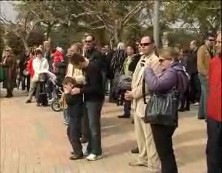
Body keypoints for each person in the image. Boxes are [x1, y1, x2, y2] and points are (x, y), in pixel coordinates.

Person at [144, 47, 189, 173]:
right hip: (167, 115)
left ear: (172, 59)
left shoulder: (172, 72)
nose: (160, 63)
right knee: (166, 152)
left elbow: (156, 85)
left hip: (162, 116)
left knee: (165, 153)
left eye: (162, 60)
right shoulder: (179, 71)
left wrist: (148, 70)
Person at [125, 36, 161, 172]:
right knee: (140, 134)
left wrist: (133, 93)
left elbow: (150, 85)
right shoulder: (141, 58)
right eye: (141, 44)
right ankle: (143, 158)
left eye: (146, 44)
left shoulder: (155, 61)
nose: (143, 46)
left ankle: (153, 164)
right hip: (137, 102)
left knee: (149, 135)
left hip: (148, 102)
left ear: (153, 45)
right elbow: (136, 79)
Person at [70, 53, 104, 161]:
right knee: (88, 126)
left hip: (95, 100)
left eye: (77, 66)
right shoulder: (86, 69)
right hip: (88, 99)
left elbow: (96, 88)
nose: (78, 68)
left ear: (80, 62)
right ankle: (90, 148)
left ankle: (96, 151)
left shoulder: (93, 68)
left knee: (94, 126)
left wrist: (80, 90)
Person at [206, 32, 222, 173]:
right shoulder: (213, 62)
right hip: (213, 116)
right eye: (216, 41)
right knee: (213, 153)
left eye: (219, 42)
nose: (216, 44)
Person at [63, 77, 84, 160]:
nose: (65, 89)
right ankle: (77, 149)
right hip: (73, 116)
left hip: (77, 116)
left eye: (66, 86)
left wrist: (67, 93)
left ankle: (78, 153)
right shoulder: (72, 92)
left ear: (70, 85)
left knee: (73, 135)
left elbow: (69, 101)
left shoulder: (75, 92)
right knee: (69, 132)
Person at [197, 33, 215, 119]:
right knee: (207, 94)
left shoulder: (211, 50)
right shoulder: (202, 49)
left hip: (209, 74)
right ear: (206, 40)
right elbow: (200, 63)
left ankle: (201, 114)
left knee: (204, 95)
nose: (212, 42)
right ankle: (208, 116)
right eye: (210, 40)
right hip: (204, 75)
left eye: (213, 40)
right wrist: (206, 74)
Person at [189, 40, 201, 105]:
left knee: (197, 85)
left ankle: (198, 99)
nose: (190, 46)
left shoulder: (198, 52)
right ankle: (193, 99)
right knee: (192, 86)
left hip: (196, 70)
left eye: (191, 45)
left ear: (194, 45)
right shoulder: (191, 52)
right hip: (192, 71)